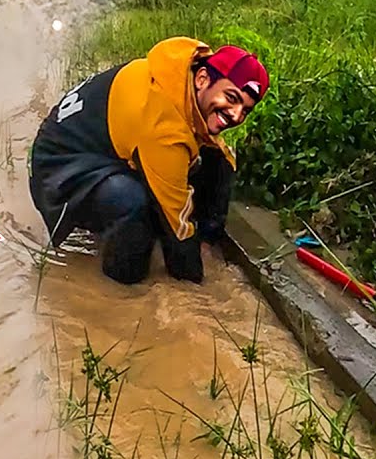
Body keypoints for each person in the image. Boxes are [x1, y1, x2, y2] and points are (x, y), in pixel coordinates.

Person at [28, 37, 269, 285]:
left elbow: (218, 160)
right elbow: (178, 226)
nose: (236, 115)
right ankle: (122, 285)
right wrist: (196, 291)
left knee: (216, 160)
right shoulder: (163, 126)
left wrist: (207, 239)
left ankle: (207, 240)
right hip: (58, 167)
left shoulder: (180, 71)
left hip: (98, 139)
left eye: (246, 109)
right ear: (203, 79)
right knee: (132, 203)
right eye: (231, 98)